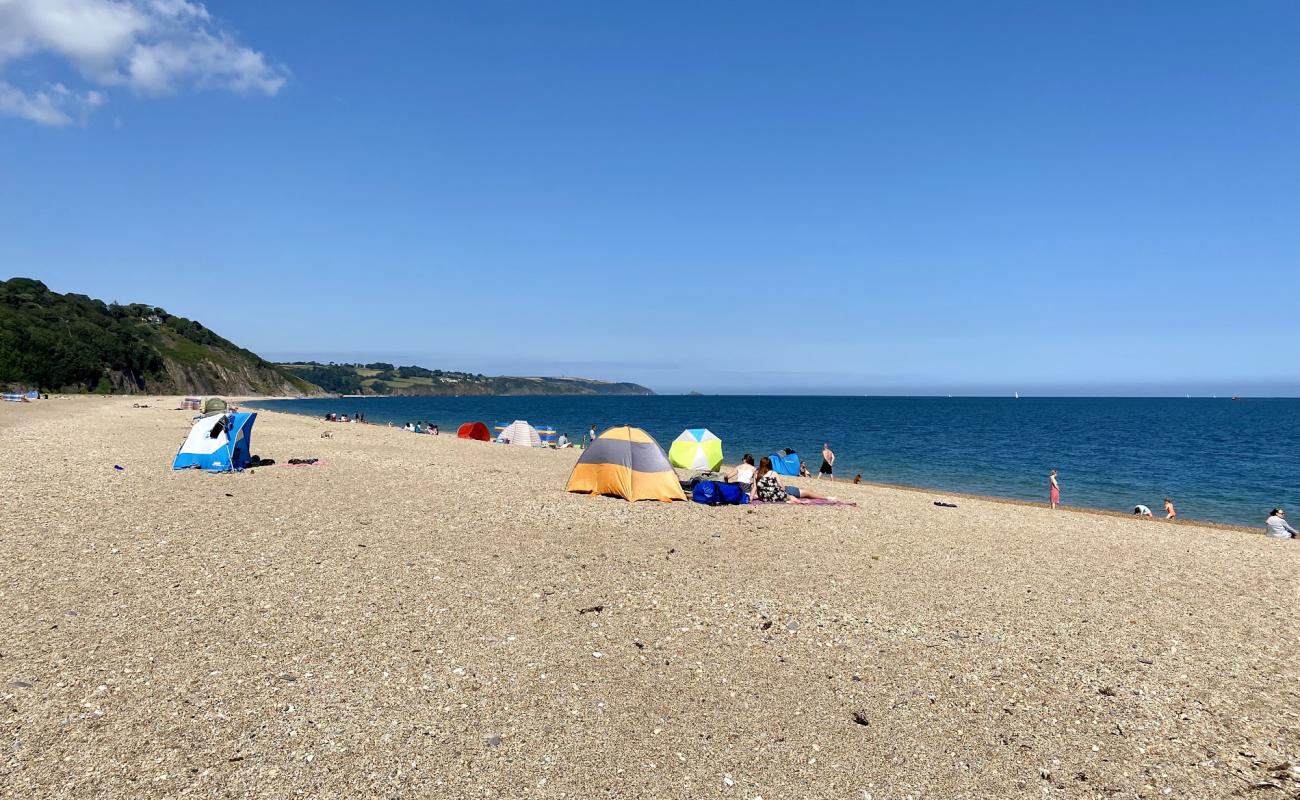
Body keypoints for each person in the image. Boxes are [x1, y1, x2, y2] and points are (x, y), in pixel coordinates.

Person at [750, 456, 830, 503]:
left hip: (765, 497)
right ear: (770, 464)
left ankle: (824, 498)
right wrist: (785, 494)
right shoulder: (773, 473)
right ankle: (825, 498)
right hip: (778, 493)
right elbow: (782, 487)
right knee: (806, 492)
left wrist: (750, 500)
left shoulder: (756, 474)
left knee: (800, 492)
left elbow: (754, 488)